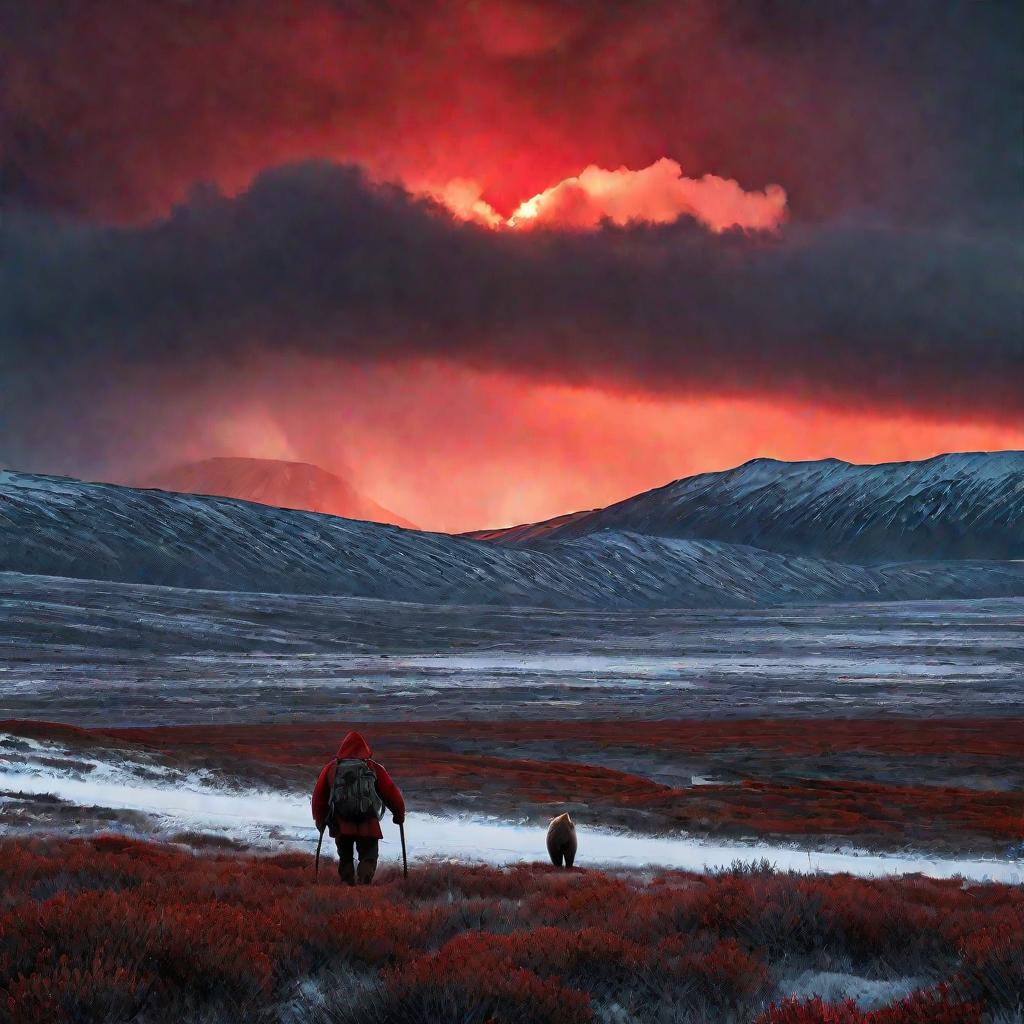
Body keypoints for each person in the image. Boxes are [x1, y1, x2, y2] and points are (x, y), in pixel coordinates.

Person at [311, 730, 405, 885]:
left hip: (341, 823)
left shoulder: (332, 769)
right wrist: (399, 814)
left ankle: (347, 887)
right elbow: (391, 793)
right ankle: (364, 886)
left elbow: (319, 798)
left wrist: (320, 820)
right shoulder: (373, 767)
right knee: (368, 857)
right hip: (368, 824)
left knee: (345, 857)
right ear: (365, 748)